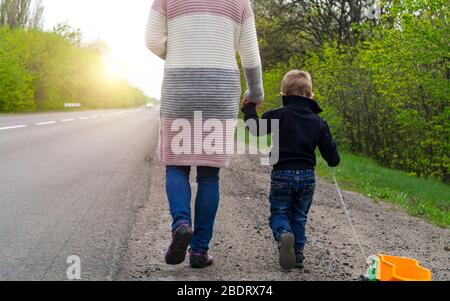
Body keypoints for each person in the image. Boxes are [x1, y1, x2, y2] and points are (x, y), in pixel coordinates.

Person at [145, 0, 264, 269]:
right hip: (220, 90)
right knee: (209, 175)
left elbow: (152, 40)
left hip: (180, 85)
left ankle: (181, 225)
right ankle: (199, 251)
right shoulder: (241, 2)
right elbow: (251, 57)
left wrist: (181, 51)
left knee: (176, 165)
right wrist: (255, 95)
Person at [241, 70, 340, 270]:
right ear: (310, 95)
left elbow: (254, 129)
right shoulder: (319, 122)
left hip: (282, 174)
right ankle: (298, 252)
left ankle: (284, 233)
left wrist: (249, 107)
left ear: (284, 93)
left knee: (280, 211)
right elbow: (332, 158)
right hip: (307, 177)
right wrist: (332, 157)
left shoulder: (278, 115)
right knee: (300, 214)